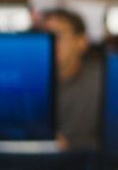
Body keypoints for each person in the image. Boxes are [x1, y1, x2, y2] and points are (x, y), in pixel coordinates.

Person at [38, 8, 102, 150]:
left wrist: (71, 146)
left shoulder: (103, 83)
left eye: (57, 36)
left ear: (82, 42)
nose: (48, 43)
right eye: (43, 36)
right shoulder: (25, 83)